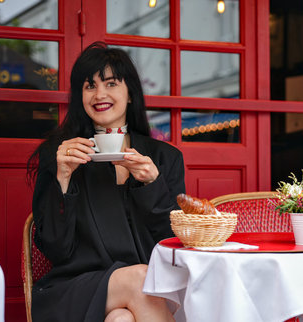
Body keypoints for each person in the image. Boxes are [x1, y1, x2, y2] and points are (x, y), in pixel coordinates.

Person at [27, 41, 185, 322]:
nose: (100, 94)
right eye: (90, 86)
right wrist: (63, 177)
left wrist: (152, 185)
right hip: (75, 286)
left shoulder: (164, 158)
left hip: (153, 288)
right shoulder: (61, 154)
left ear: (131, 94)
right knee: (140, 278)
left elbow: (172, 243)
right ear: (81, 96)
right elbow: (55, 248)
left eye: (111, 83)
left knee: (121, 319)